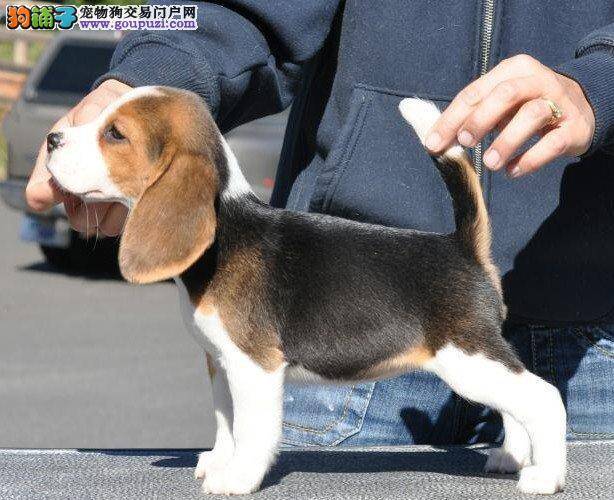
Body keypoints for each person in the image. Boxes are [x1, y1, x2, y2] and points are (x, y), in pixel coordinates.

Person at [27, 1, 614, 447]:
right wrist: (142, 85)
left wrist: (599, 88)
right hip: (338, 332)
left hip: (595, 334)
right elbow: (241, 14)